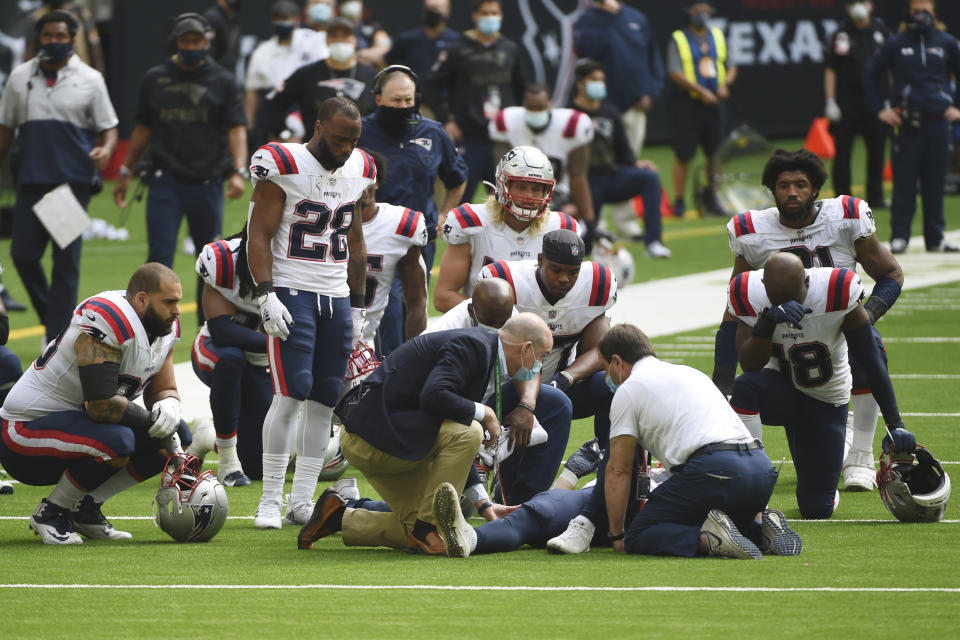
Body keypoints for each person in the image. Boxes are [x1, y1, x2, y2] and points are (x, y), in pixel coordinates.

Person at [712, 149, 903, 492]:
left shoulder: (845, 217)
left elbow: (891, 275)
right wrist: (722, 382)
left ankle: (860, 456)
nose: (792, 193)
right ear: (772, 190)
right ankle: (761, 463)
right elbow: (734, 307)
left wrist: (865, 317)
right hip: (782, 338)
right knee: (767, 403)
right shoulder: (752, 232)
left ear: (816, 189)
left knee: (869, 347)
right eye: (783, 185)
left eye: (801, 184)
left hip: (836, 326)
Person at [297, 313, 554, 554]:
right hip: (374, 438)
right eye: (542, 355)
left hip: (384, 437)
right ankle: (426, 529)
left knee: (437, 532)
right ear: (526, 348)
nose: (540, 365)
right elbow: (435, 397)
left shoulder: (482, 350)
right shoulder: (473, 347)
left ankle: (338, 517)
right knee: (470, 430)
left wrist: (484, 504)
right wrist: (485, 412)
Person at [549, 323, 795, 559]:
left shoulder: (629, 389)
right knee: (704, 516)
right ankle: (759, 530)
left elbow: (619, 469)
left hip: (715, 470)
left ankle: (708, 539)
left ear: (616, 362)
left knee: (641, 534)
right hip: (760, 470)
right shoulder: (691, 373)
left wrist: (618, 535)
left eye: (605, 369)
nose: (606, 378)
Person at [246, 97, 374, 529]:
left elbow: (356, 245)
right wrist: (266, 294)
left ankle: (301, 499)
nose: (345, 150)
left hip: (336, 296)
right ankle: (269, 499)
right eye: (339, 140)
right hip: (292, 289)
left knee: (324, 398)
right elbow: (258, 235)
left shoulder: (360, 166)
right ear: (318, 128)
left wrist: (357, 307)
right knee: (292, 391)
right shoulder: (283, 163)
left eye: (353, 142)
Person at [0, 263, 193, 545]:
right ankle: (51, 512)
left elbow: (163, 387)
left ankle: (85, 509)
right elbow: (101, 405)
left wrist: (170, 404)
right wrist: (154, 422)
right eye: (169, 302)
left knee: (178, 434)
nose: (177, 310)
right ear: (142, 299)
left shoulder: (163, 325)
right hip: (24, 432)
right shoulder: (107, 318)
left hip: (79, 428)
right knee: (119, 440)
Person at [727, 253, 918, 519]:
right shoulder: (748, 292)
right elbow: (749, 365)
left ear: (806, 280)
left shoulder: (836, 289)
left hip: (826, 401)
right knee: (745, 386)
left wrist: (895, 423)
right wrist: (767, 323)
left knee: (816, 508)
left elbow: (871, 361)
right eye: (775, 297)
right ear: (764, 287)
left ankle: (844, 440)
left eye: (793, 296)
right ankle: (751, 483)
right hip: (781, 392)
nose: (786, 304)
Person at [114, 13, 247, 323]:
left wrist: (238, 170)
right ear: (175, 42)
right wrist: (124, 170)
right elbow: (143, 129)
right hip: (165, 180)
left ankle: (207, 330)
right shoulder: (155, 78)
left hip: (207, 180)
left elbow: (236, 129)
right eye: (186, 40)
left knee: (211, 261)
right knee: (159, 259)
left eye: (197, 40)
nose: (192, 46)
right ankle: (148, 327)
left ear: (207, 42)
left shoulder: (223, 81)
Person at [0, 10, 118, 346]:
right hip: (31, 177)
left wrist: (107, 149)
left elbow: (109, 126)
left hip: (71, 181)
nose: (54, 41)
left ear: (71, 38)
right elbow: (6, 127)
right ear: (39, 38)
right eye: (48, 36)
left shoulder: (90, 78)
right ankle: (57, 321)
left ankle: (55, 336)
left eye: (60, 36)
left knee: (65, 260)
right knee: (23, 255)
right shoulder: (20, 76)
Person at [358, 65, 467, 354]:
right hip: (375, 236)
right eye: (397, 101)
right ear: (379, 99)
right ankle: (383, 367)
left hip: (421, 237)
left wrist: (444, 214)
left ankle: (409, 363)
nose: (403, 106)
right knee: (389, 307)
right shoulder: (361, 132)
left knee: (415, 305)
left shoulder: (432, 132)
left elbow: (457, 178)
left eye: (408, 100)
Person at [478, 229, 618, 451]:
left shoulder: (596, 286)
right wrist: (527, 402)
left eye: (573, 272)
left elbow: (600, 349)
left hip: (559, 388)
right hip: (507, 389)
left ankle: (610, 463)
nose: (564, 279)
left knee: (612, 382)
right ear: (541, 260)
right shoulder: (507, 281)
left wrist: (564, 379)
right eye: (556, 269)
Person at [433, 145, 580, 313]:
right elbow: (443, 296)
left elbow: (573, 296)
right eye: (522, 187)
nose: (529, 196)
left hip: (541, 327)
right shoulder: (472, 222)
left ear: (547, 190)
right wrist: (495, 318)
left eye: (536, 188)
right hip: (485, 329)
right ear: (503, 185)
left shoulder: (561, 228)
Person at [864, 0, 960, 253]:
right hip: (906, 125)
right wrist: (880, 110)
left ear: (934, 13)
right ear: (908, 14)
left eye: (925, 11)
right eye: (915, 11)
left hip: (939, 124)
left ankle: (935, 237)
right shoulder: (896, 43)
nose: (920, 16)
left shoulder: (947, 42)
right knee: (904, 183)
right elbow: (871, 75)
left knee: (935, 182)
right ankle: (900, 236)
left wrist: (957, 108)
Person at [189, 228, 271, 486]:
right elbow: (222, 331)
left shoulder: (301, 267)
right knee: (230, 360)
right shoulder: (224, 260)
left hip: (262, 364)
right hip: (215, 349)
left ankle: (205, 437)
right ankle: (227, 461)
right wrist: (280, 344)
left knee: (256, 466)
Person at [570, 59, 671, 257]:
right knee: (585, 245)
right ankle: (587, 241)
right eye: (594, 80)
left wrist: (636, 164)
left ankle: (653, 242)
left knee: (649, 177)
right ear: (580, 83)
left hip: (611, 176)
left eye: (602, 80)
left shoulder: (610, 112)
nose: (599, 84)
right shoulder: (568, 114)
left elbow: (623, 150)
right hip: (584, 183)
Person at [431, 0, 527, 201]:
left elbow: (521, 89)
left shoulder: (511, 49)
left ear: (501, 16)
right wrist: (447, 120)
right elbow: (435, 86)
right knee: (460, 196)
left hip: (502, 138)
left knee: (506, 198)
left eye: (494, 12)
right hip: (468, 136)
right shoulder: (456, 49)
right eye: (485, 13)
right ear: (475, 16)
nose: (490, 17)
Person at [489, 84, 596, 232]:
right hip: (517, 193)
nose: (535, 112)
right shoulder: (507, 122)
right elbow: (501, 174)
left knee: (568, 218)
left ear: (550, 104)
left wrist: (589, 221)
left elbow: (578, 177)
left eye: (540, 107)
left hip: (557, 194)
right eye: (531, 108)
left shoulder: (572, 126)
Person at [666, 2, 737, 217]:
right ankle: (679, 201)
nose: (702, 14)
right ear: (689, 12)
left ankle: (713, 198)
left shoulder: (717, 35)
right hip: (688, 104)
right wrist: (699, 91)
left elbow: (731, 66)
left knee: (715, 155)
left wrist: (725, 85)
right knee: (684, 155)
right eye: (697, 10)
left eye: (705, 10)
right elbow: (675, 71)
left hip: (715, 104)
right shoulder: (679, 38)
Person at [355, 149, 429, 346]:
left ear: (377, 182)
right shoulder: (322, 222)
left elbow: (416, 302)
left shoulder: (401, 226)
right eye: (354, 177)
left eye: (367, 178)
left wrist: (413, 357)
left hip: (362, 343)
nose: (361, 185)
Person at [573, 0, 664, 158]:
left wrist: (651, 93)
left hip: (636, 105)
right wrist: (607, 17)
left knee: (630, 159)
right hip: (602, 105)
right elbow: (586, 52)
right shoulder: (587, 20)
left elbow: (653, 57)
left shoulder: (637, 18)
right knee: (602, 159)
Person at [264, 17, 379, 140]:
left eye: (345, 36)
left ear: (355, 40)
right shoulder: (307, 74)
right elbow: (274, 104)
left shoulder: (372, 76)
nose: (340, 40)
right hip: (315, 153)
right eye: (334, 36)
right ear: (327, 40)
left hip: (362, 152)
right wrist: (285, 134)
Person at [823, 1, 890, 208]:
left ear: (871, 5)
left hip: (876, 101)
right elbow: (830, 69)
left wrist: (892, 98)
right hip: (847, 101)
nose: (858, 7)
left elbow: (892, 67)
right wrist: (831, 101)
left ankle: (876, 197)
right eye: (853, 3)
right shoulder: (841, 34)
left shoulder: (882, 31)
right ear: (846, 9)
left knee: (877, 150)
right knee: (843, 152)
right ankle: (843, 201)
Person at [244, 0, 327, 143]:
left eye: (286, 18)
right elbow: (252, 91)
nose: (282, 22)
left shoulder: (311, 40)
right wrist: (249, 126)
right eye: (279, 18)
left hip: (309, 110)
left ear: (297, 19)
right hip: (276, 112)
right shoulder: (262, 52)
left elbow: (327, 63)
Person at [385, 0, 460, 118]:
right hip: (412, 105)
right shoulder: (407, 40)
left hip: (446, 107)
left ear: (448, 12)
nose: (432, 12)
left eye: (437, 8)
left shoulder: (456, 42)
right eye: (429, 8)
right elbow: (386, 64)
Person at [423, 277, 516, 334]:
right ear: (471, 311)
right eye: (489, 322)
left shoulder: (515, 318)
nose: (495, 329)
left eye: (503, 323)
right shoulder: (446, 330)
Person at [336, 0, 392, 68]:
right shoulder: (335, 28)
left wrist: (357, 55)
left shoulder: (373, 26)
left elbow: (385, 49)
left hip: (371, 71)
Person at [204, 0, 242, 78]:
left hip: (229, 76)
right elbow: (208, 54)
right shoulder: (212, 18)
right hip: (215, 77)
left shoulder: (233, 18)